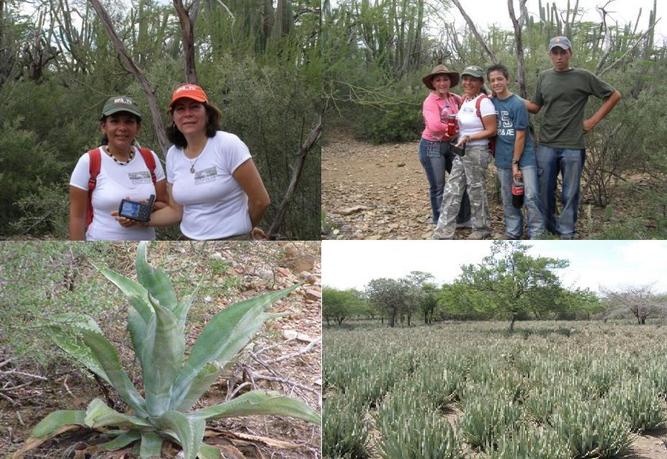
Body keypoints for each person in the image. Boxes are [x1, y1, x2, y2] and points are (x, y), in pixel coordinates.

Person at [526, 36, 621, 238]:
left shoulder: (583, 76)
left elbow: (614, 95)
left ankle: (567, 232)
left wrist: (592, 121)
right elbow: (535, 107)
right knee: (543, 191)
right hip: (546, 144)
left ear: (570, 53)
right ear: (550, 55)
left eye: (563, 52)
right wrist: (506, 96)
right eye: (555, 52)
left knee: (570, 193)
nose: (559, 57)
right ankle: (550, 229)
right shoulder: (544, 77)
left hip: (573, 145)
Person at [148, 84, 270, 240]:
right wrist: (139, 222)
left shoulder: (228, 144)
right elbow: (175, 211)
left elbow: (261, 201)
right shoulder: (173, 154)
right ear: (173, 117)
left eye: (194, 107)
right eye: (180, 109)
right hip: (188, 241)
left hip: (233, 240)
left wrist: (244, 229)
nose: (187, 114)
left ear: (207, 113)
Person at [69, 96, 168, 240]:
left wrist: (143, 211)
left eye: (129, 121)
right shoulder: (89, 161)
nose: (122, 128)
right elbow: (77, 217)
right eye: (114, 121)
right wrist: (78, 256)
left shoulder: (150, 158)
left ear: (137, 127)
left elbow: (165, 204)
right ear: (103, 126)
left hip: (145, 248)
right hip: (100, 249)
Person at [433, 65, 496, 239]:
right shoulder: (466, 100)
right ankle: (444, 231)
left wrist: (469, 137)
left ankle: (481, 229)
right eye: (465, 79)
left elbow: (492, 130)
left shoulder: (484, 102)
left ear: (480, 82)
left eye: (473, 79)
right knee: (452, 189)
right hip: (462, 151)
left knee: (476, 190)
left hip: (477, 151)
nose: (468, 82)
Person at [487, 64, 544, 239]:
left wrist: (515, 163)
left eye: (500, 79)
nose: (496, 83)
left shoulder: (517, 104)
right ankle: (513, 233)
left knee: (532, 195)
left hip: (524, 157)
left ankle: (537, 233)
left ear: (507, 79)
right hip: (503, 157)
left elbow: (520, 135)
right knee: (508, 197)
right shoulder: (490, 103)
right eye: (493, 80)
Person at [419, 64, 471, 226]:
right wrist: (455, 127)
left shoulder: (453, 98)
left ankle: (463, 218)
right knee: (438, 186)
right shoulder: (430, 102)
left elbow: (466, 104)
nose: (442, 83)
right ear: (433, 83)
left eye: (445, 79)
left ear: (450, 81)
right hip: (432, 146)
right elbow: (434, 126)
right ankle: (440, 221)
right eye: (438, 80)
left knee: (461, 180)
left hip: (451, 144)